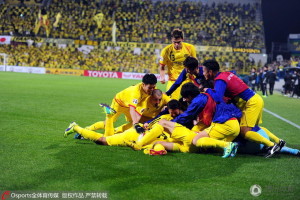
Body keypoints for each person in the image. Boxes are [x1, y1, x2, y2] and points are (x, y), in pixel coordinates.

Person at [202, 60, 285, 158]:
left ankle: (271, 146)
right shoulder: (226, 74)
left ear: (210, 72)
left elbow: (218, 98)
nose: (203, 73)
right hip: (255, 99)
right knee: (253, 128)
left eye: (204, 71)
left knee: (245, 132)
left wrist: (207, 90)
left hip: (251, 102)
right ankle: (279, 142)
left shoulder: (220, 80)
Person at [150, 83, 242, 158]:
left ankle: (227, 145)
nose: (185, 100)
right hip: (234, 124)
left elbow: (186, 116)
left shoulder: (198, 100)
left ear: (190, 96)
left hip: (224, 124)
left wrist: (170, 123)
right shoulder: (206, 94)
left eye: (185, 97)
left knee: (195, 140)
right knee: (203, 139)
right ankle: (229, 147)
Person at [64, 100, 183, 155]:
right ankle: (76, 127)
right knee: (104, 140)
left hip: (139, 131)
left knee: (108, 137)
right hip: (137, 135)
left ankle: (108, 116)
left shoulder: (167, 116)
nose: (173, 114)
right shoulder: (169, 122)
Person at [85, 74, 157, 137]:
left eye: (153, 87)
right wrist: (136, 124)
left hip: (129, 105)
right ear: (143, 84)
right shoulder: (135, 92)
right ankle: (87, 130)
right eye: (150, 88)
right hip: (119, 103)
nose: (152, 89)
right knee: (107, 123)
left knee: (135, 122)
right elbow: (132, 109)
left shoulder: (151, 89)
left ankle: (115, 131)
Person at [159, 29, 196, 99]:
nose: (176, 44)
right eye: (174, 42)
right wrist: (162, 77)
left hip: (188, 79)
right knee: (171, 102)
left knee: (191, 101)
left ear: (182, 39)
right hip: (173, 80)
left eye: (178, 42)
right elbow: (162, 67)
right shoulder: (166, 51)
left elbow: (195, 64)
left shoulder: (190, 48)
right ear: (171, 40)